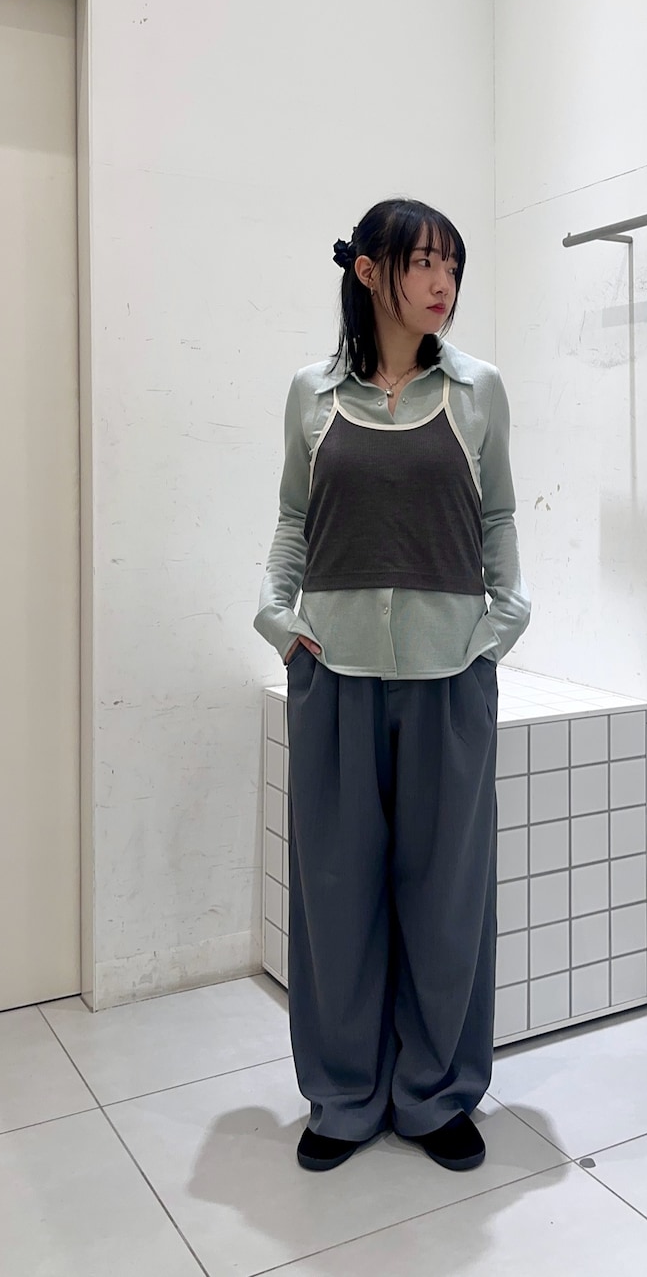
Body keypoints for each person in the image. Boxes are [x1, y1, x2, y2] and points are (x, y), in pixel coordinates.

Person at [254, 197, 530, 1173]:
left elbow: (498, 518)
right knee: (334, 893)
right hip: (332, 673)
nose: (442, 282)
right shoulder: (312, 393)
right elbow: (294, 518)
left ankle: (437, 1094)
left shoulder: (478, 390)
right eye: (422, 262)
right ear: (369, 271)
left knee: (446, 894)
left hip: (450, 676)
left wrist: (500, 627)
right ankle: (341, 1096)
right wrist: (277, 617)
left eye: (453, 265)